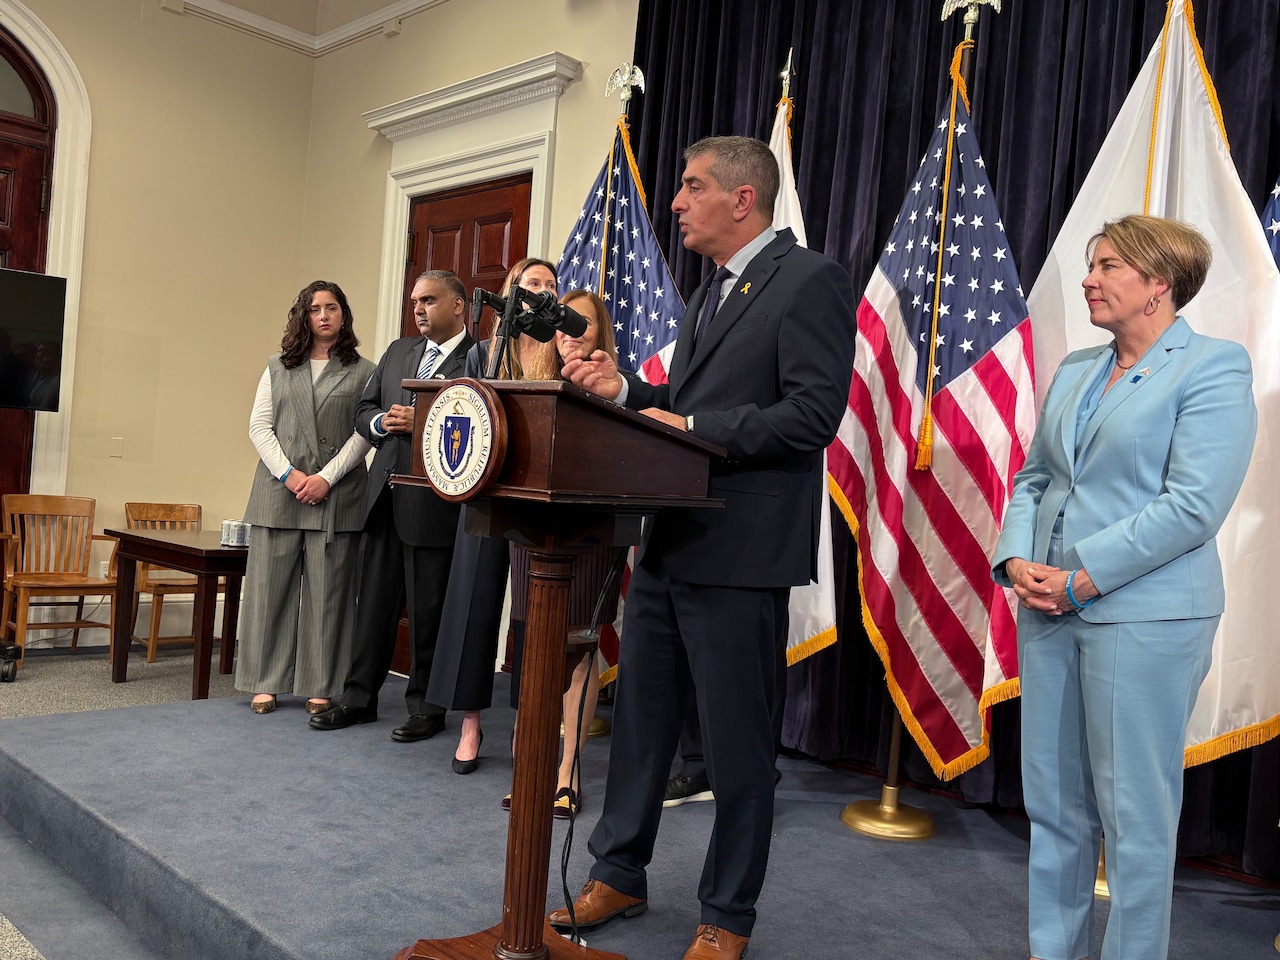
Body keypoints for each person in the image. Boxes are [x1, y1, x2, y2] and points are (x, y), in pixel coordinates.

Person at [549, 135, 856, 960]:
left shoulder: (811, 281)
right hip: (671, 543)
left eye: (690, 187)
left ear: (743, 198)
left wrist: (687, 423)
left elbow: (811, 415)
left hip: (742, 553)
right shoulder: (712, 291)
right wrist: (630, 392)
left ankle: (727, 917)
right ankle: (618, 871)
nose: (676, 202)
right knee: (642, 726)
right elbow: (683, 409)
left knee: (737, 748)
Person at [991, 215, 1256, 960]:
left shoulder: (1213, 367)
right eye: (1092, 264)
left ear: (1158, 286)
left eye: (1107, 266)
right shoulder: (1078, 367)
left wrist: (1078, 576)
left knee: (1134, 818)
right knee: (1054, 807)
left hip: (1146, 619)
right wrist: (1017, 559)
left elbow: (1194, 507)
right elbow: (1036, 476)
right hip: (1047, 609)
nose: (1089, 278)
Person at [308, 270, 474, 742]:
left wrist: (419, 420)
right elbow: (362, 411)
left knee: (427, 612)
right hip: (382, 496)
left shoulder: (478, 359)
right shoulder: (399, 351)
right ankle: (358, 698)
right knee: (373, 608)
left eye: (429, 300)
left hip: (433, 502)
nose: (419, 309)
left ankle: (426, 707)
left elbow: (479, 421)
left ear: (459, 305)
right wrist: (382, 420)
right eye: (415, 301)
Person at [236, 280, 374, 716]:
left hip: (336, 496)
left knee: (330, 597)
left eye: (332, 308)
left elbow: (363, 433)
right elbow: (259, 427)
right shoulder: (277, 367)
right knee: (267, 593)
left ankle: (321, 684)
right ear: (304, 316)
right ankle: (265, 682)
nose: (324, 316)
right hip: (279, 493)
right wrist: (291, 475)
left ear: (343, 315)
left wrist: (326, 479)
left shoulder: (364, 370)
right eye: (315, 309)